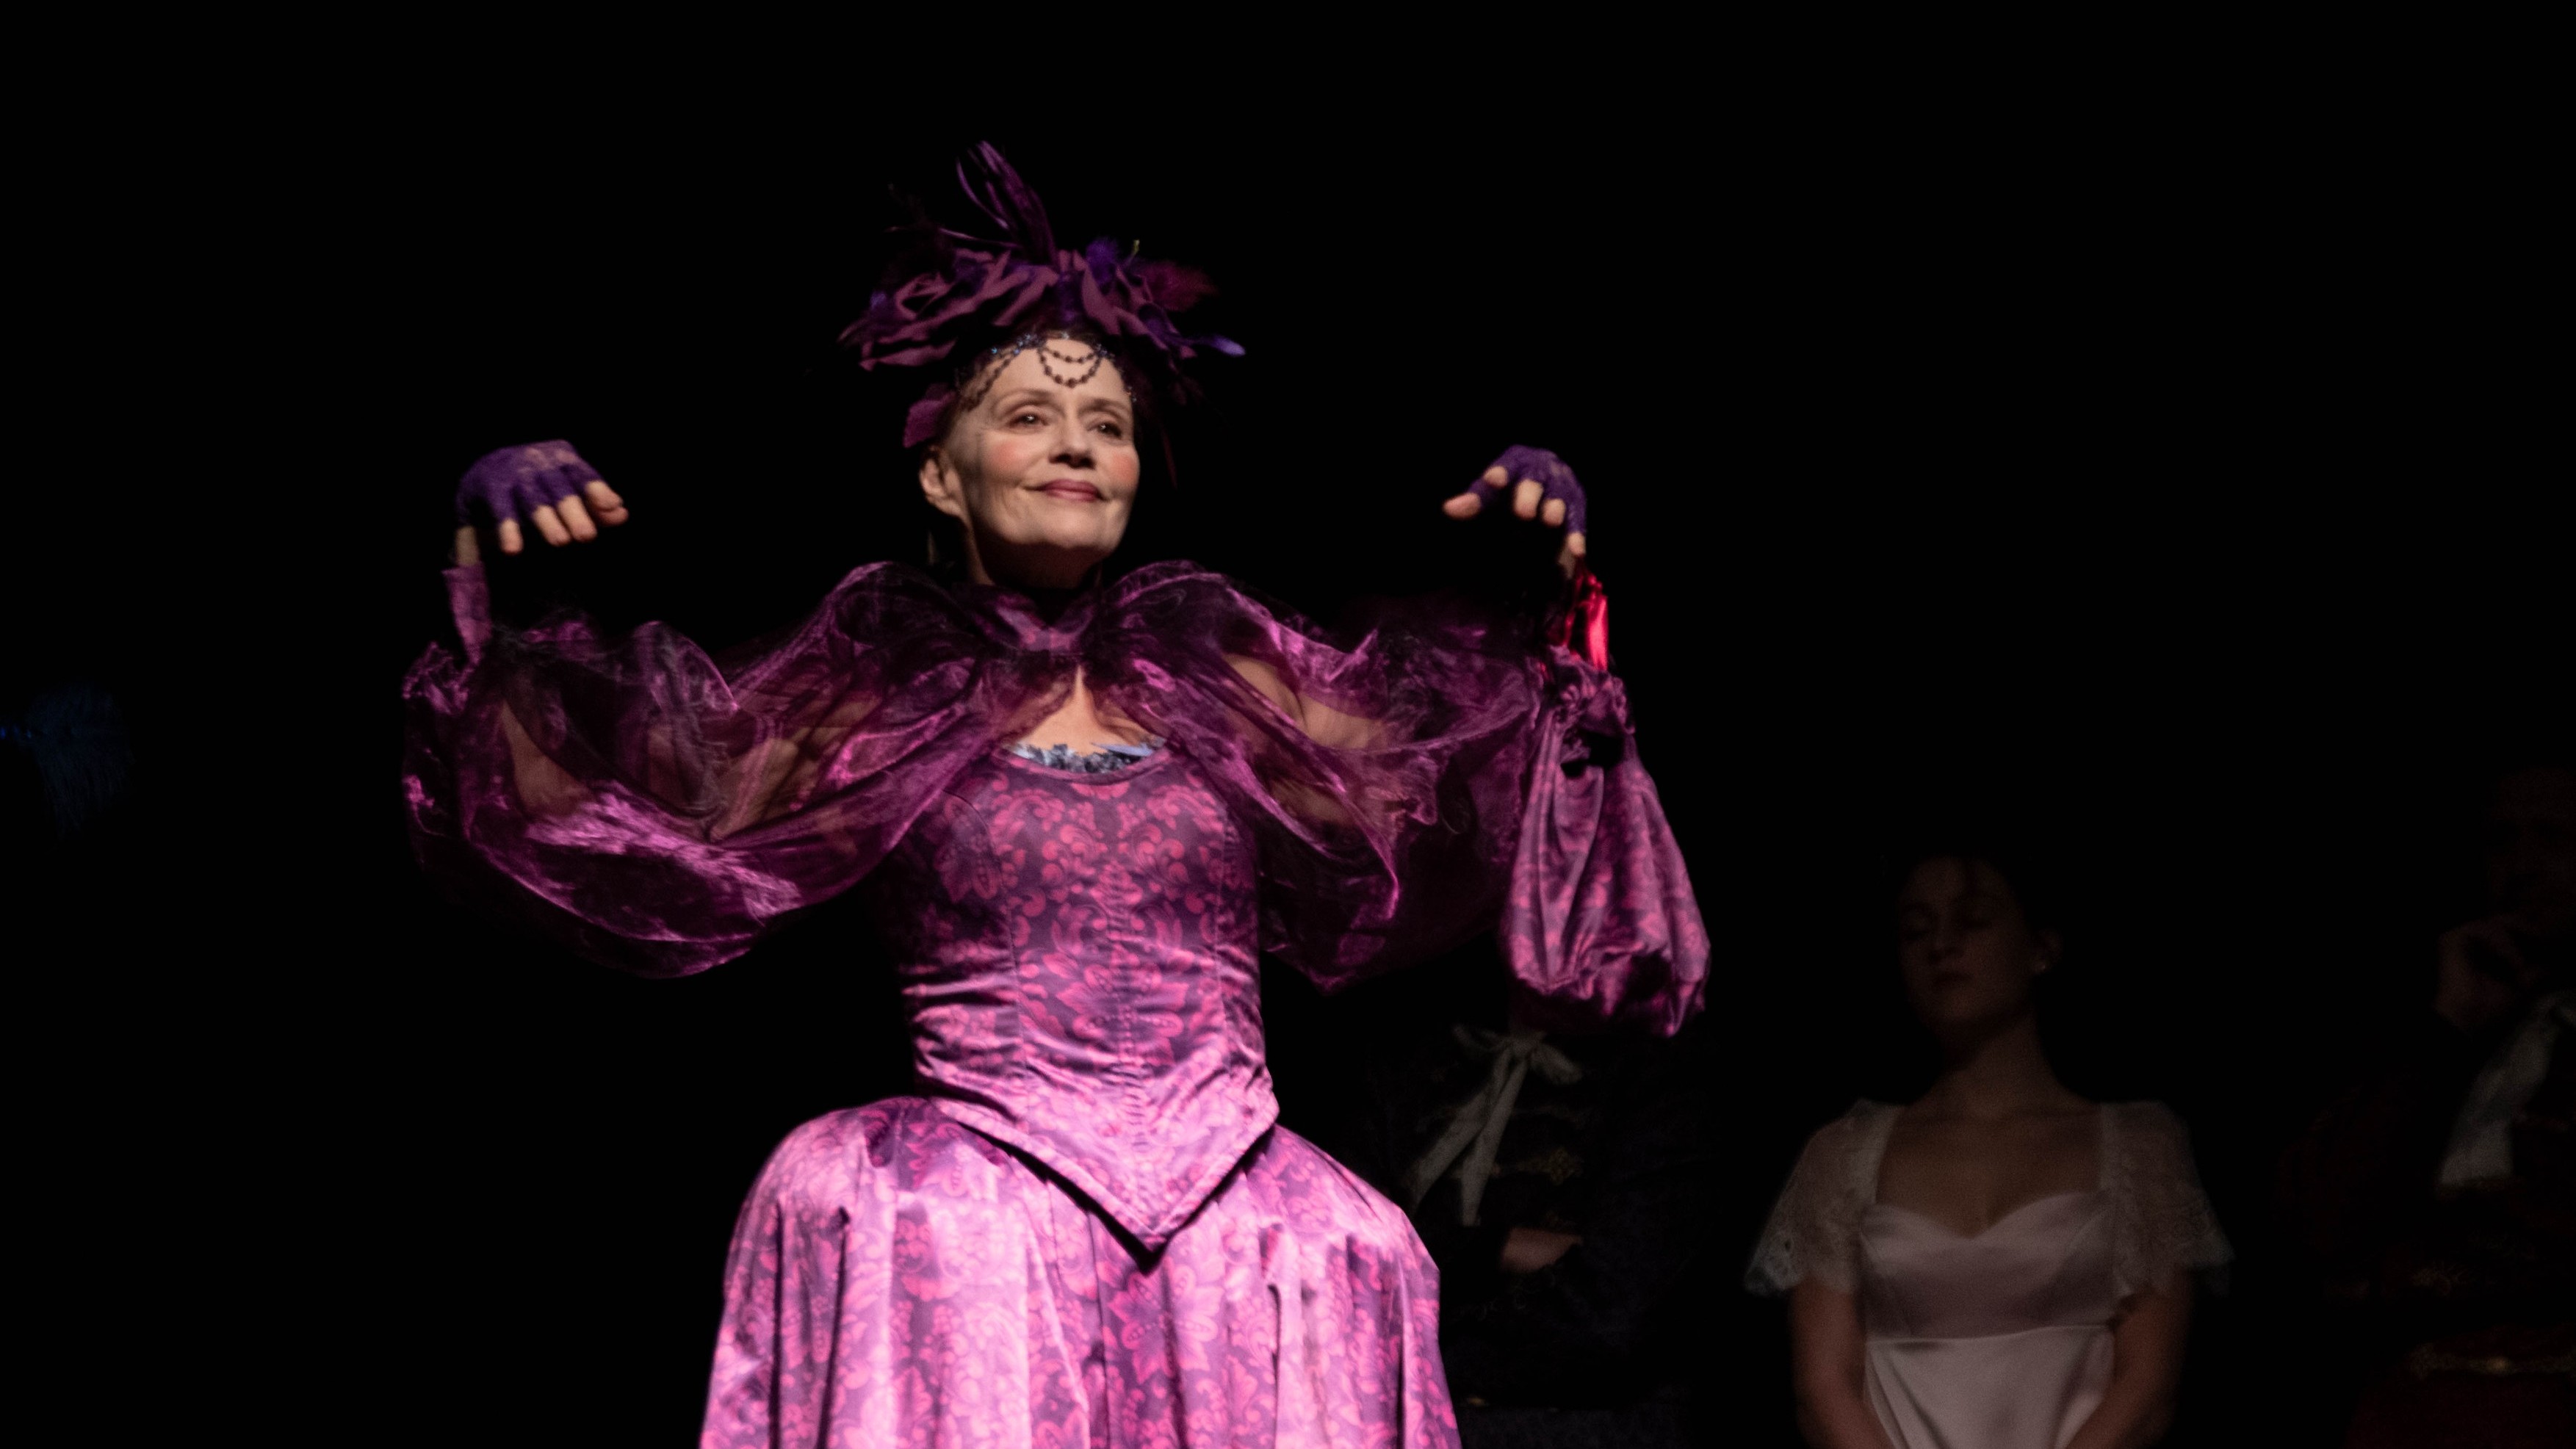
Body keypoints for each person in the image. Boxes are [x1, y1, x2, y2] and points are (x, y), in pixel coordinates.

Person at [401, 146, 1707, 1449]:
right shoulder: (881, 678)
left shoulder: (1214, 665)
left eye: (1107, 424)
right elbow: (620, 816)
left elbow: (1456, 760)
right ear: (940, 472)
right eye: (1027, 414)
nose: (1076, 440)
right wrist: (497, 597)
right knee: (888, 1214)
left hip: (1238, 1222)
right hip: (973, 1212)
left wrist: (1529, 597)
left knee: (1351, 1243)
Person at [1747, 846, 2229, 1448]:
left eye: (1972, 919)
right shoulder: (1841, 1155)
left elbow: (2147, 1387)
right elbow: (1823, 1388)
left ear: (2041, 947)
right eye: (1915, 929)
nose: (1940, 944)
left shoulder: (2138, 1148)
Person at [2279, 762, 2576, 1448]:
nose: (2521, 866)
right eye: (2501, 841)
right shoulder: (2444, 1038)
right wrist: (2447, 1031)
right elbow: (2319, 1221)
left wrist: (2423, 1265)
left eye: (2552, 837)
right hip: (2411, 1413)